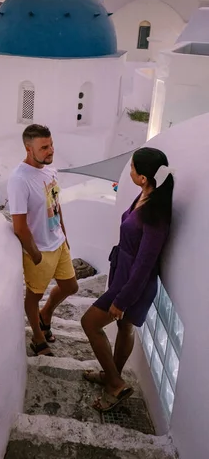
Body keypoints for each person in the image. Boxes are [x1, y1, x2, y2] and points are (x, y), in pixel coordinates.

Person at [81, 147, 174, 412]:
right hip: (124, 275)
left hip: (133, 285)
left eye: (132, 168)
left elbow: (145, 266)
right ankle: (113, 375)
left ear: (144, 177)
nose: (129, 171)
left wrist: (122, 300)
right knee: (124, 328)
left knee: (89, 323)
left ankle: (114, 384)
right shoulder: (146, 196)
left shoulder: (156, 216)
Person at [8, 124, 79, 357]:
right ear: (29, 149)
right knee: (33, 296)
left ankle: (46, 314)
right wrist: (35, 254)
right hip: (40, 250)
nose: (51, 151)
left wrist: (65, 236)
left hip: (58, 243)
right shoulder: (19, 180)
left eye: (51, 145)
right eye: (45, 147)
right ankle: (38, 338)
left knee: (71, 287)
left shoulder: (51, 171)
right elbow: (19, 226)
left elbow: (55, 205)